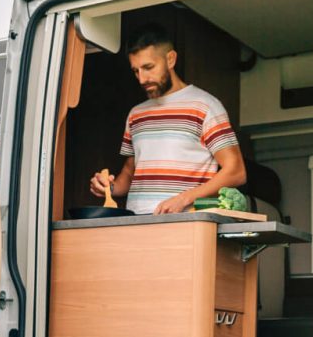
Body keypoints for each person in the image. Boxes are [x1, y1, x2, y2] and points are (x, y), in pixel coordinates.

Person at [89, 23, 246, 214]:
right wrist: (108, 188)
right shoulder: (135, 114)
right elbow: (129, 175)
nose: (142, 79)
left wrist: (184, 199)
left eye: (148, 67)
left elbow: (236, 171)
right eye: (136, 70)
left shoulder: (205, 106)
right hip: (135, 223)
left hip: (184, 222)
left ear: (170, 59)